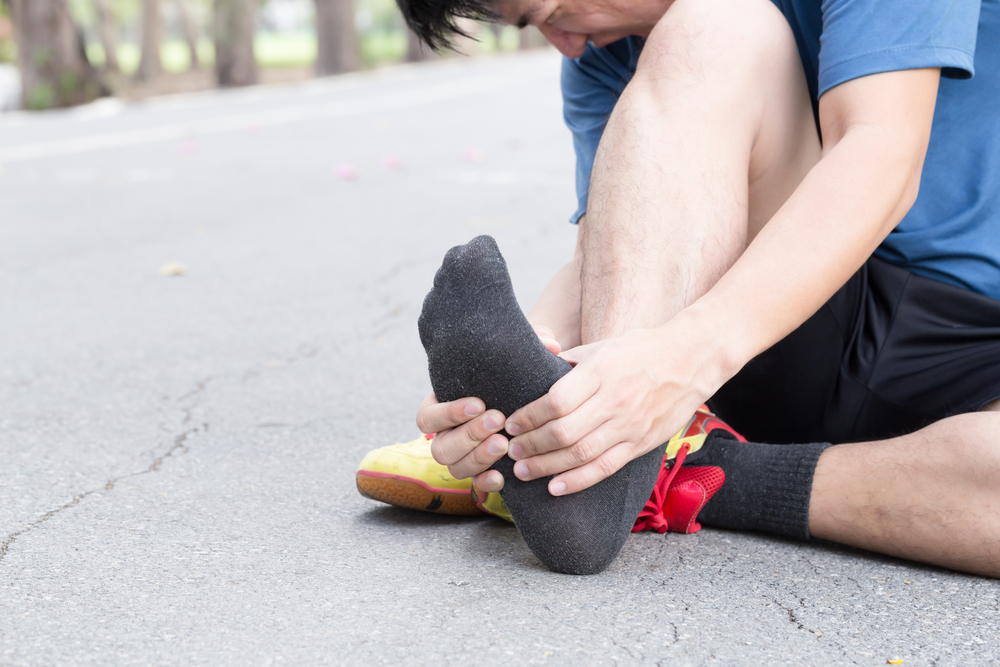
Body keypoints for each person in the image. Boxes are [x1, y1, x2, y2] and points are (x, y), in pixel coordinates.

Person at [365, 0, 1000, 576]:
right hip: (780, 326)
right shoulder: (608, 51)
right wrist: (527, 379)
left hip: (968, 347)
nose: (566, 45)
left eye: (552, 10)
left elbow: (881, 150)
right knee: (719, 27)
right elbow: (600, 249)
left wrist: (686, 355)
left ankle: (674, 470)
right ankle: (604, 454)